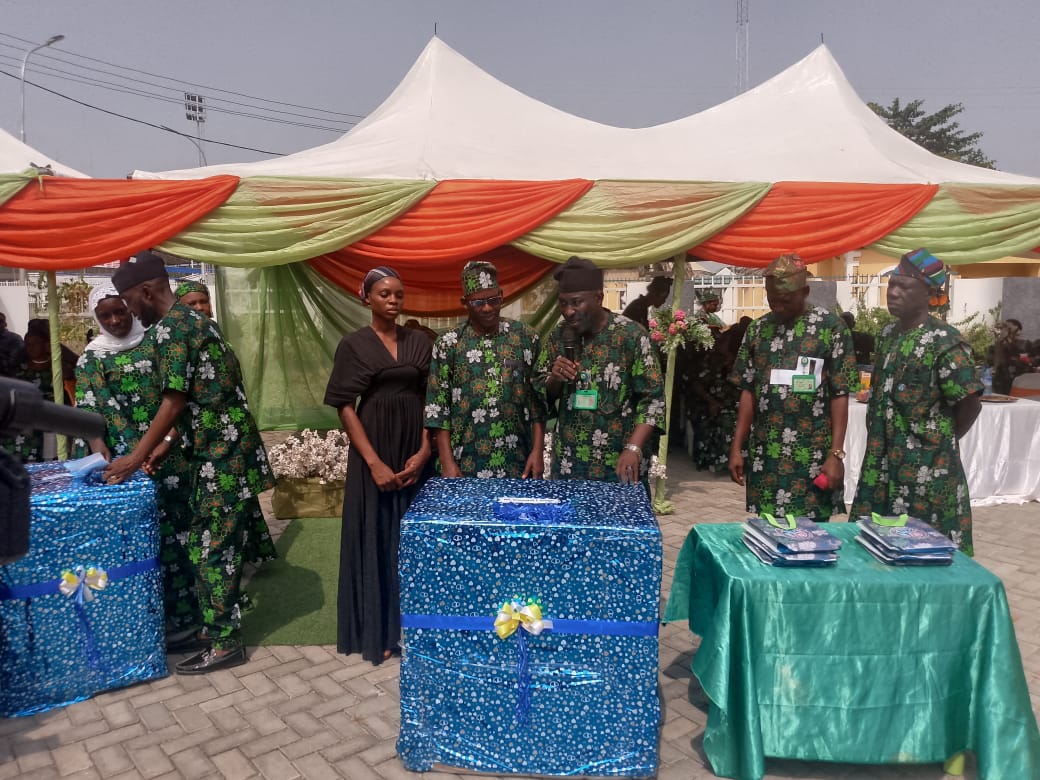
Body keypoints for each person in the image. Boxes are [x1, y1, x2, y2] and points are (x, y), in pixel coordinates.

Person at [105, 251, 276, 674]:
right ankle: (212, 628)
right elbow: (206, 396)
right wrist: (167, 445)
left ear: (147, 291)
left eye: (129, 301)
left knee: (212, 551)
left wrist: (134, 458)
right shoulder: (197, 323)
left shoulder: (171, 329)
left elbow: (174, 400)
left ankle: (224, 642)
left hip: (221, 457)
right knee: (210, 546)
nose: (129, 310)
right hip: (223, 451)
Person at [74, 284, 201, 638]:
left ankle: (191, 617)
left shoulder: (157, 343)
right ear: (96, 318)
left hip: (168, 458)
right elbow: (88, 410)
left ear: (130, 308)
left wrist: (167, 442)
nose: (115, 320)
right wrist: (99, 450)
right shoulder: (91, 359)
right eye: (105, 316)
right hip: (125, 470)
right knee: (138, 543)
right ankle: (148, 622)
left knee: (180, 535)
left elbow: (178, 398)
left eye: (120, 311)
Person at [324, 266, 433, 665]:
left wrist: (425, 453)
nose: (393, 300)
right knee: (377, 536)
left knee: (415, 541)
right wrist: (374, 463)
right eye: (385, 293)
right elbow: (344, 407)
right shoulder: (353, 345)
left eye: (398, 294)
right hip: (375, 452)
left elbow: (433, 401)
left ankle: (421, 630)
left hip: (414, 451)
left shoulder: (419, 342)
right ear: (366, 298)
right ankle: (380, 631)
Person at [851, 249, 982, 554]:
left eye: (904, 287)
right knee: (876, 549)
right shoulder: (887, 335)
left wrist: (936, 443)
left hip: (926, 471)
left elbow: (970, 404)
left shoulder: (945, 342)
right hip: (881, 465)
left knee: (924, 550)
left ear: (928, 293)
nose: (893, 293)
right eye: (891, 285)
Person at [729, 253, 855, 521]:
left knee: (813, 537)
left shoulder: (831, 329)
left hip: (813, 454)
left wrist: (836, 455)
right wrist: (736, 447)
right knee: (769, 531)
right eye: (771, 298)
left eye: (785, 300)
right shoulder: (757, 331)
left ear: (805, 292)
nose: (777, 306)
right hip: (768, 455)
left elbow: (840, 393)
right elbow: (748, 390)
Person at [534, 256, 665, 488]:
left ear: (598, 297)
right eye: (563, 303)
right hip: (569, 464)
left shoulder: (631, 336)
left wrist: (634, 448)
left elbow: (652, 399)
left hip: (620, 462)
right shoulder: (559, 336)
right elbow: (538, 393)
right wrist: (554, 379)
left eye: (576, 302)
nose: (568, 311)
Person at [425, 260, 546, 478]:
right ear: (465, 302)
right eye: (478, 302)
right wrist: (447, 461)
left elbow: (538, 401)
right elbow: (438, 407)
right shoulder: (449, 343)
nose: (488, 308)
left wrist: (537, 452)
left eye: (493, 300)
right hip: (464, 461)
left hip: (517, 460)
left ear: (501, 295)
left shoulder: (526, 338)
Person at [0, 319, 78, 462]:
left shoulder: (57, 367)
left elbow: (72, 372)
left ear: (46, 345)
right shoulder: (19, 367)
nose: (30, 348)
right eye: (27, 344)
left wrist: (55, 354)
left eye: (35, 343)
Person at [686, 320, 748, 472]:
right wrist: (711, 401)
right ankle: (718, 461)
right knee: (726, 420)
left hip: (734, 404)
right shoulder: (711, 360)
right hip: (710, 402)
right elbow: (696, 384)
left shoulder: (740, 362)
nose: (721, 342)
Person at [988, 318, 1029, 395]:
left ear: (1018, 331)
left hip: (1018, 380)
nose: (1005, 329)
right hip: (1001, 379)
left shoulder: (1023, 344)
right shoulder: (999, 344)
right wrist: (1000, 341)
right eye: (1004, 327)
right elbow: (994, 360)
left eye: (1008, 328)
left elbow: (1020, 359)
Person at [0, 312, 24, 377]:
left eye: (0, 321)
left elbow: (14, 362)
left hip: (8, 378)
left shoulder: (15, 339)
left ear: (5, 324)